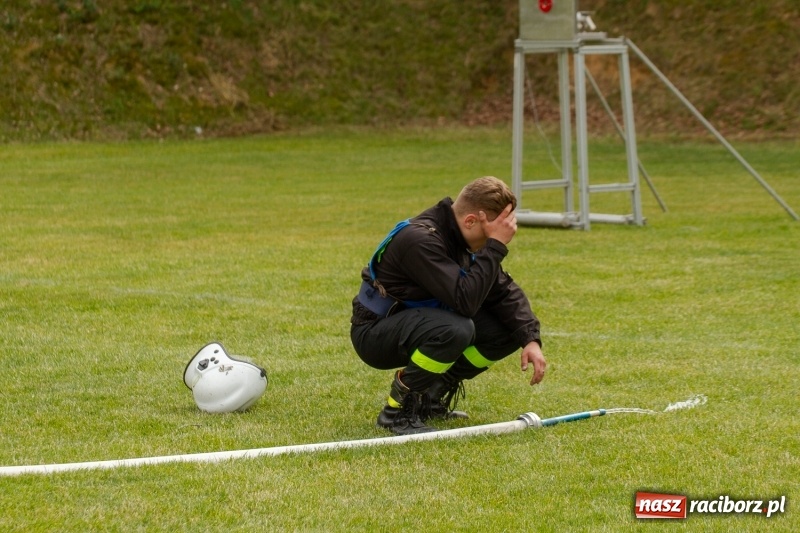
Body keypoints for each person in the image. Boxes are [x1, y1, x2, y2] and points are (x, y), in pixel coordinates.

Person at [350, 176, 546, 435]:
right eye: (491, 236)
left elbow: (502, 291)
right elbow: (464, 302)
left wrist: (530, 339)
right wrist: (496, 247)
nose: (492, 244)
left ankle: (430, 397)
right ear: (470, 221)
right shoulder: (420, 240)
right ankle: (396, 413)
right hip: (375, 333)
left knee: (509, 329)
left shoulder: (461, 238)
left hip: (419, 323)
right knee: (456, 328)